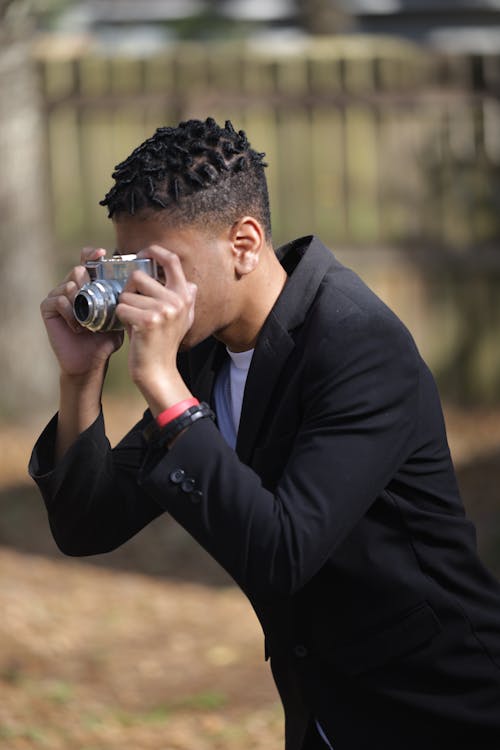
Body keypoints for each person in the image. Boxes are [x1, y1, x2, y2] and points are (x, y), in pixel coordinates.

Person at [29, 117, 500, 750]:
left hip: (441, 708)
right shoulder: (207, 350)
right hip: (323, 710)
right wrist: (81, 378)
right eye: (134, 266)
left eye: (163, 266)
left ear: (244, 244)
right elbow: (88, 526)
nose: (146, 292)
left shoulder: (358, 343)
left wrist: (166, 390)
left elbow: (282, 555)